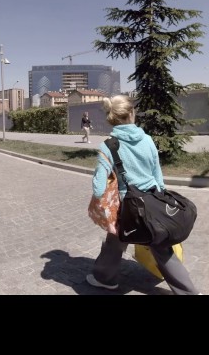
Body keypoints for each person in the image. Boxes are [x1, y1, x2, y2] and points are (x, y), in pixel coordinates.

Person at [86, 95, 200, 295]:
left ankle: (105, 279)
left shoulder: (108, 146)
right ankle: (188, 292)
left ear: (111, 117)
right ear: (132, 113)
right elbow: (158, 176)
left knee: (115, 241)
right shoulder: (147, 140)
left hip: (128, 208)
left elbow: (98, 189)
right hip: (153, 202)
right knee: (162, 248)